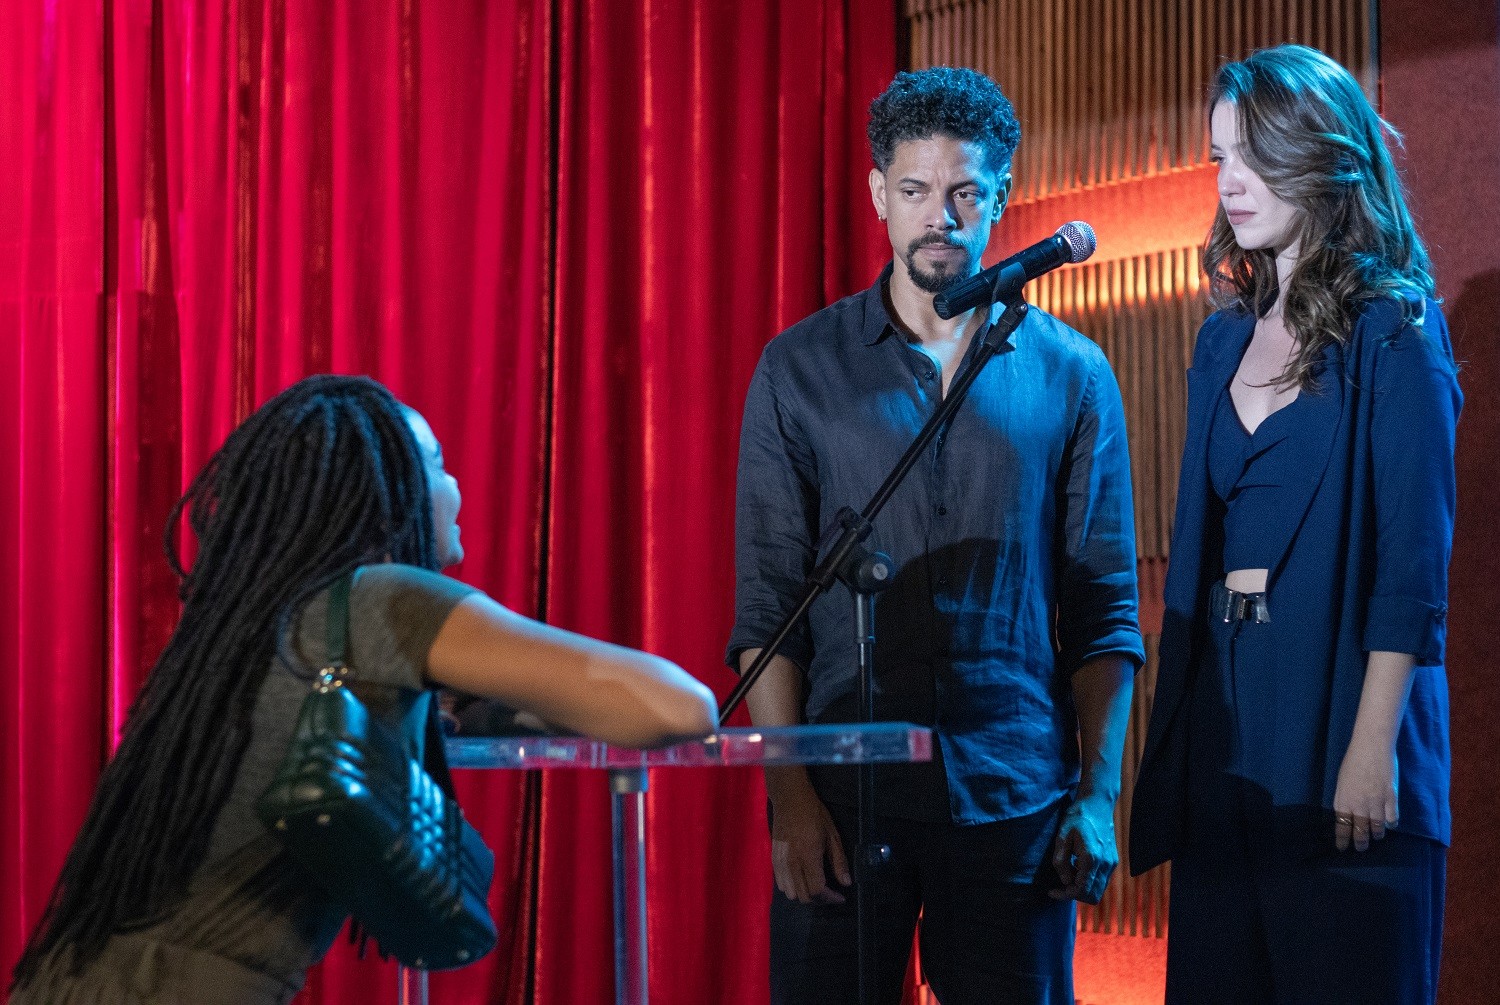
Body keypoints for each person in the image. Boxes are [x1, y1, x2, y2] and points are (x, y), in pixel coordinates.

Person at [9, 375, 717, 1004]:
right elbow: (676, 705)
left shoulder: (260, 622)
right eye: (436, 464)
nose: (457, 486)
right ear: (388, 495)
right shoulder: (382, 601)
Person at [727, 67, 1143, 1005]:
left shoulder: (1074, 375)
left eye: (964, 192)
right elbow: (769, 603)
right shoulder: (799, 369)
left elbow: (1105, 610)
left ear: (1002, 194)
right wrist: (789, 798)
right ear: (879, 194)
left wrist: (1097, 793)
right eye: (915, 191)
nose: (940, 218)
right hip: (843, 795)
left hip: (1015, 799)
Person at [1129, 45, 1459, 1004]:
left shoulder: (1394, 328)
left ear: (1321, 155)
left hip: (1343, 726)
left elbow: (1412, 564)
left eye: (1255, 154)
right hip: (1228, 744)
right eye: (1220, 158)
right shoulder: (1221, 336)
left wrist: (1371, 747)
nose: (1230, 182)